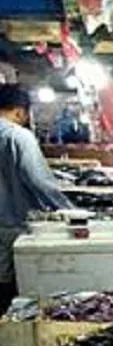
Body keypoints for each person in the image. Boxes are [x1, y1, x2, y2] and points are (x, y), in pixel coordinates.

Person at [0, 83, 70, 304]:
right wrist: (72, 212)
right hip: (10, 227)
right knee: (9, 291)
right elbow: (40, 182)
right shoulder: (19, 137)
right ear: (20, 111)